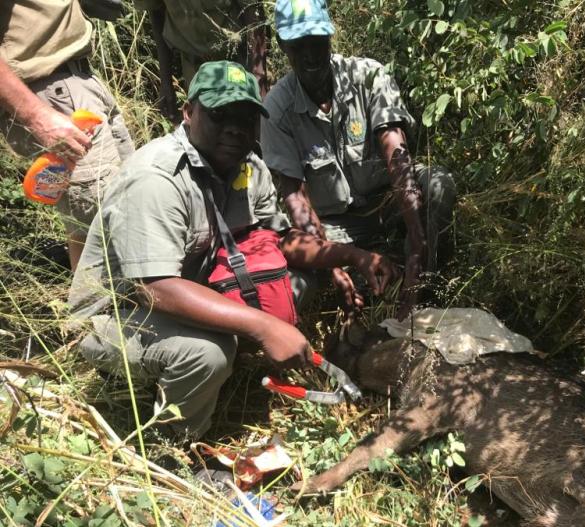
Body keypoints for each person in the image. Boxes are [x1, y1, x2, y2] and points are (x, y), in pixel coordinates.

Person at [68, 61, 395, 440]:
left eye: (246, 117)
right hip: (118, 314)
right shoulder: (156, 179)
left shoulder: (248, 167)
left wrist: (352, 256)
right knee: (208, 352)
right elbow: (154, 288)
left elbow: (277, 241)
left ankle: (225, 365)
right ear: (189, 113)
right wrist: (262, 327)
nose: (235, 129)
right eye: (220, 114)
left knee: (300, 281)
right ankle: (175, 445)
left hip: (190, 286)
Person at [260, 0, 457, 319]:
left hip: (388, 201)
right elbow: (296, 198)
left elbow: (397, 153)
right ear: (283, 46)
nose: (310, 55)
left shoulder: (367, 75)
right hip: (336, 224)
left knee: (438, 185)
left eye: (316, 42)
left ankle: (427, 280)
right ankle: (366, 279)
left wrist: (418, 243)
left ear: (330, 37)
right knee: (297, 257)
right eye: (299, 46)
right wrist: (333, 266)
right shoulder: (277, 110)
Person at [0, 0, 135, 271]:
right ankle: (95, 309)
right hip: (49, 94)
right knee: (97, 223)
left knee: (126, 202)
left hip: (81, 81)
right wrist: (37, 116)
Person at [135, 0, 272, 119]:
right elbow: (156, 13)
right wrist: (166, 82)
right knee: (208, 131)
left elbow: (253, 12)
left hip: (238, 60)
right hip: (194, 67)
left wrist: (258, 78)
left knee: (246, 125)